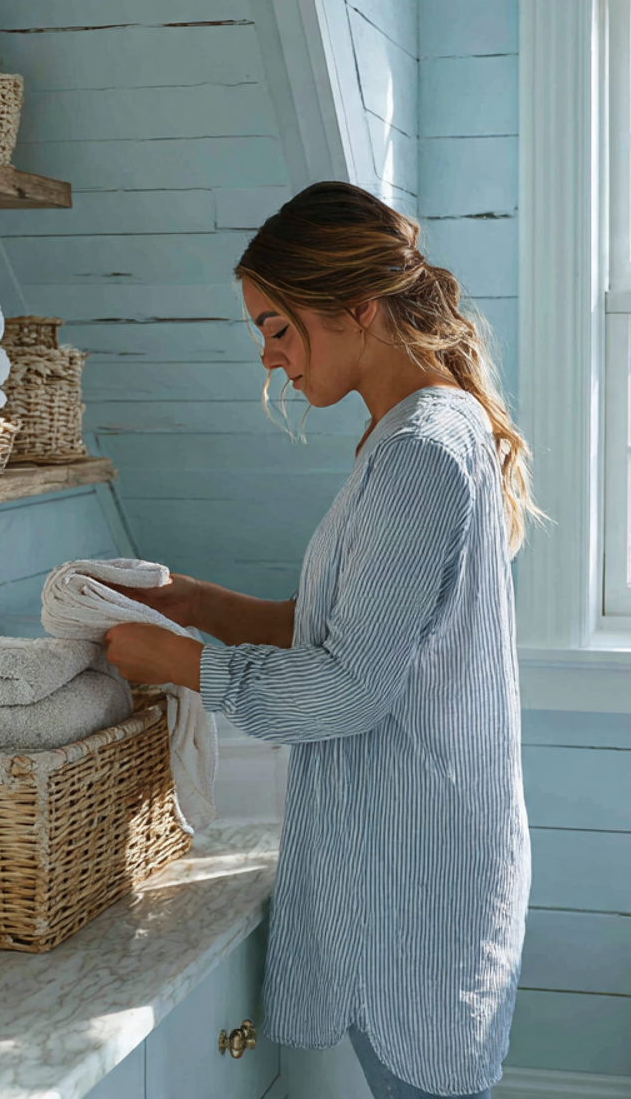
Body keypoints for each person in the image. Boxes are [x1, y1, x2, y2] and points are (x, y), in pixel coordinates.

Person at [104, 181, 535, 1099]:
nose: (269, 358)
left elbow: (349, 689)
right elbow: (347, 631)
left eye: (278, 327)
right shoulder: (411, 432)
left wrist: (179, 664)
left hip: (414, 869)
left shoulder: (421, 448)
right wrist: (197, 603)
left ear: (358, 309)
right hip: (415, 848)